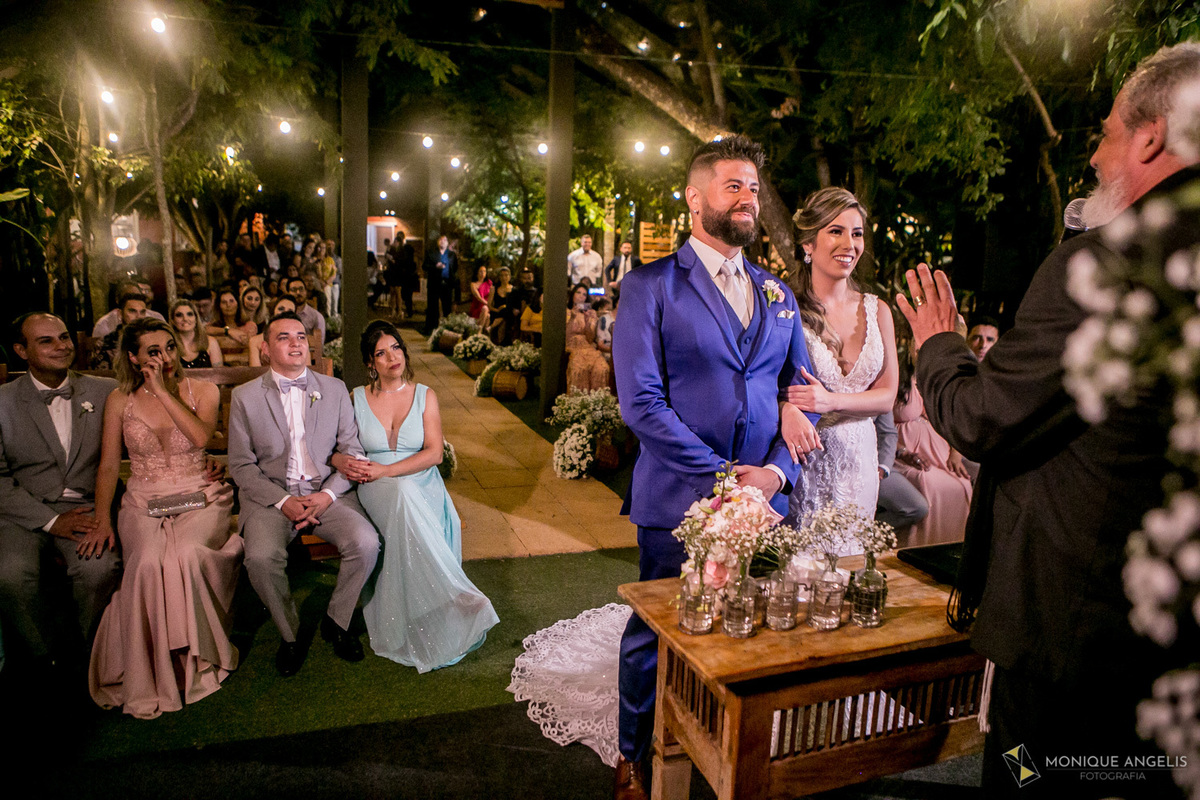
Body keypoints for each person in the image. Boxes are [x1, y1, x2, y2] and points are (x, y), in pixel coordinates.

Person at [895, 43, 1200, 800]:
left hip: (1071, 639)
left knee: (1031, 778)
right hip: (1171, 634)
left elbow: (983, 418)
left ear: (1151, 137)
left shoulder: (1103, 267)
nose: (1094, 157)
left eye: (1103, 134)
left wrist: (937, 345)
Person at [609, 135, 821, 798]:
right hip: (677, 497)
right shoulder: (650, 287)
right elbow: (641, 403)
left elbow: (803, 395)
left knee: (749, 638)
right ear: (695, 198)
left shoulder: (777, 293)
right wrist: (727, 477)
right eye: (733, 185)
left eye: (753, 188)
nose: (748, 198)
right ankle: (632, 756)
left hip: (766, 505)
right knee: (657, 633)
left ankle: (731, 753)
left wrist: (778, 474)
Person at [87, 318, 241, 719]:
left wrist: (162, 391)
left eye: (170, 347)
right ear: (134, 358)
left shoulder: (203, 390)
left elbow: (202, 439)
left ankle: (198, 658)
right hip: (143, 498)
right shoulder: (120, 400)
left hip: (201, 492)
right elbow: (107, 466)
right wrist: (102, 518)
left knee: (188, 553)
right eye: (153, 352)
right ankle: (152, 669)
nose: (165, 358)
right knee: (147, 562)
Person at [330, 321, 498, 671]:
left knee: (406, 491)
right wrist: (345, 461)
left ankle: (445, 595)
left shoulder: (425, 395)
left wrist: (386, 470)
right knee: (401, 495)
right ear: (370, 363)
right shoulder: (356, 398)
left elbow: (435, 453)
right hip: (374, 487)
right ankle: (452, 592)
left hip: (419, 481)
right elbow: (336, 449)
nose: (392, 357)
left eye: (396, 348)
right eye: (381, 352)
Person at [227, 311, 380, 677]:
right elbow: (241, 466)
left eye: (301, 336)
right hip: (272, 497)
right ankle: (290, 634)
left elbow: (352, 451)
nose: (297, 343)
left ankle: (337, 620)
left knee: (366, 542)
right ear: (265, 349)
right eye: (284, 337)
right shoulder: (245, 397)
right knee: (261, 558)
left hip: (326, 492)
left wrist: (327, 496)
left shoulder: (334, 389)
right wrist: (283, 502)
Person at [0, 314, 121, 671]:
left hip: (87, 507)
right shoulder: (3, 401)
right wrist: (51, 521)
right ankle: (43, 657)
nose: (62, 346)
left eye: (64, 337)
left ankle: (85, 656)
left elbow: (150, 439)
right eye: (46, 341)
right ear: (22, 351)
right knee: (10, 575)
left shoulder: (105, 390)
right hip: (23, 511)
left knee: (99, 569)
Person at [782, 187, 899, 555]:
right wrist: (786, 408)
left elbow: (887, 395)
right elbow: (763, 385)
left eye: (857, 233)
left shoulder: (878, 310)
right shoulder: (785, 308)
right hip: (806, 458)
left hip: (860, 462)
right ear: (808, 244)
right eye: (836, 231)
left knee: (847, 571)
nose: (849, 243)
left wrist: (829, 400)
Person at [892, 354, 971, 547]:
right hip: (903, 451)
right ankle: (920, 545)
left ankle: (951, 546)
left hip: (935, 450)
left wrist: (955, 453)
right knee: (929, 482)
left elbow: (950, 420)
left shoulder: (928, 377)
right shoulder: (894, 376)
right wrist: (901, 451)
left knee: (962, 484)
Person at [873, 410, 929, 533]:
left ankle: (863, 533)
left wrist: (883, 466)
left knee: (918, 507)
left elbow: (888, 433)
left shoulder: (878, 391)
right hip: (827, 458)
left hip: (872, 463)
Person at [565, 284, 611, 392]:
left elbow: (590, 338)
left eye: (584, 294)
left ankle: (597, 402)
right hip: (573, 346)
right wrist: (572, 317)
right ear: (572, 295)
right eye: (578, 293)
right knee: (579, 369)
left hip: (588, 347)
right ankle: (578, 403)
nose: (581, 296)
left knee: (602, 368)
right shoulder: (566, 312)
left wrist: (587, 322)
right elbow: (566, 336)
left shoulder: (591, 313)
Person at [92, 292, 149, 369]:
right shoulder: (107, 343)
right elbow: (101, 375)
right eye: (132, 311)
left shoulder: (152, 340)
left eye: (142, 312)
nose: (138, 317)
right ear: (120, 314)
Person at [92, 280, 165, 338]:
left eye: (136, 295)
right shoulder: (104, 324)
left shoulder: (156, 318)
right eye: (128, 296)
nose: (138, 316)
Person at [171, 299, 224, 368]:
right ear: (173, 321)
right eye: (179, 315)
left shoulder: (211, 342)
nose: (185, 319)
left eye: (189, 314)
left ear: (196, 319)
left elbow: (219, 374)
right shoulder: (169, 345)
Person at [248, 296, 299, 367]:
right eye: (281, 309)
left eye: (289, 312)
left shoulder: (300, 341)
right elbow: (255, 373)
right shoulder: (255, 341)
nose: (284, 314)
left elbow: (306, 372)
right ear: (273, 311)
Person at [423, 235, 459, 334]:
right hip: (434, 283)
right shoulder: (431, 253)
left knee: (447, 307)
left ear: (447, 243)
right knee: (432, 306)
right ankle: (431, 328)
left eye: (445, 240)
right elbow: (424, 266)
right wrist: (435, 266)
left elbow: (455, 267)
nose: (443, 242)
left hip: (447, 284)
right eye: (441, 240)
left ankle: (447, 329)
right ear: (438, 242)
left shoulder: (451, 255)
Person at [286, 276, 327, 347]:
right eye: (294, 290)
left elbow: (319, 346)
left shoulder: (316, 317)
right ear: (287, 293)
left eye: (301, 289)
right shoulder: (283, 314)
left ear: (306, 292)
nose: (298, 293)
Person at [488, 267, 519, 345]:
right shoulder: (494, 289)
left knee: (506, 310)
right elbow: (489, 305)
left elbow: (515, 305)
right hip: (496, 313)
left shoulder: (514, 289)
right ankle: (501, 342)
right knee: (504, 315)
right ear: (499, 277)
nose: (504, 278)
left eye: (506, 275)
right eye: (501, 275)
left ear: (509, 276)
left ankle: (491, 327)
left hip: (510, 313)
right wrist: (497, 310)